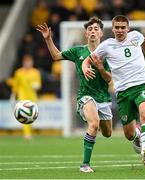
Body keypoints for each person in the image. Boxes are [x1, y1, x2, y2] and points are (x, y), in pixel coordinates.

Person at [36, 17, 113, 173]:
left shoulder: (107, 53)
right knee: (94, 124)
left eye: (96, 29)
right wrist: (49, 39)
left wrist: (99, 68)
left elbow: (109, 79)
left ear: (101, 33)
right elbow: (56, 56)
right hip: (85, 96)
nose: (93, 31)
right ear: (86, 33)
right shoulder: (78, 51)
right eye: (90, 29)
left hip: (103, 98)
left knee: (107, 133)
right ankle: (85, 165)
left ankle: (136, 132)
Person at [82, 15, 145, 165]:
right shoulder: (107, 45)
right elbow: (88, 59)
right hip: (123, 92)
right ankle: (138, 135)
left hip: (142, 84)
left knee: (144, 114)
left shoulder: (136, 36)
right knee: (129, 134)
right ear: (113, 28)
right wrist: (85, 68)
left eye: (123, 27)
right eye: (117, 27)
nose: (120, 30)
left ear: (128, 28)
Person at [12, 54, 41, 140]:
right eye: (26, 62)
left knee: (31, 116)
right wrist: (13, 95)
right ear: (23, 63)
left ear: (32, 62)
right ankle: (27, 134)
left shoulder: (36, 72)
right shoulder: (18, 72)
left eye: (29, 62)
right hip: (22, 96)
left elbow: (39, 84)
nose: (28, 63)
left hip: (32, 96)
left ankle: (28, 133)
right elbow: (15, 85)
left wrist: (36, 86)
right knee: (23, 114)